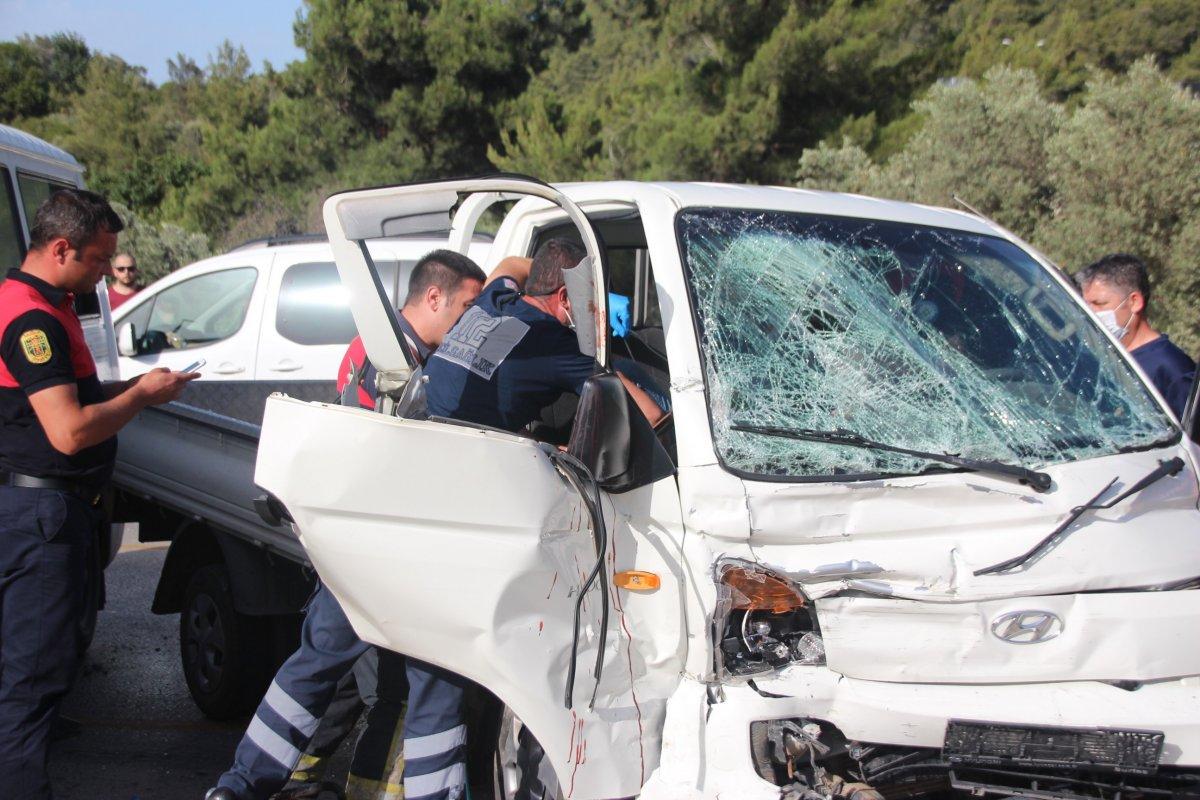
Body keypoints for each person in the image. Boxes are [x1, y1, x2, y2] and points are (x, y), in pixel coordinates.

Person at [207, 250, 486, 800]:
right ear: (434, 297)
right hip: (395, 554)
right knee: (434, 685)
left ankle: (239, 787)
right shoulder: (399, 361)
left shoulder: (376, 346)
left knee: (313, 671)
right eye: (469, 307)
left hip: (356, 551)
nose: (472, 324)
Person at [407, 239, 664, 800]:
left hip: (422, 491)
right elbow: (648, 419)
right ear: (569, 302)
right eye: (589, 302)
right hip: (475, 513)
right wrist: (603, 360)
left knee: (425, 673)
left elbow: (509, 266)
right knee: (483, 673)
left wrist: (565, 279)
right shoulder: (554, 344)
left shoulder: (492, 302)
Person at [0, 189, 197, 800]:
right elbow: (68, 430)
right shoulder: (32, 318)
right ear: (61, 249)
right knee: (29, 678)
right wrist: (139, 398)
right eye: (96, 260)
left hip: (46, 511)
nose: (105, 274)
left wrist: (133, 384)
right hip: (41, 514)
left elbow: (72, 397)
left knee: (43, 665)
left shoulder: (41, 303)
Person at [1077, 253, 1196, 418]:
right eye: (1086, 305)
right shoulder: (1100, 356)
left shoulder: (1172, 368)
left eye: (1099, 304)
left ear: (1134, 302)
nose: (1090, 313)